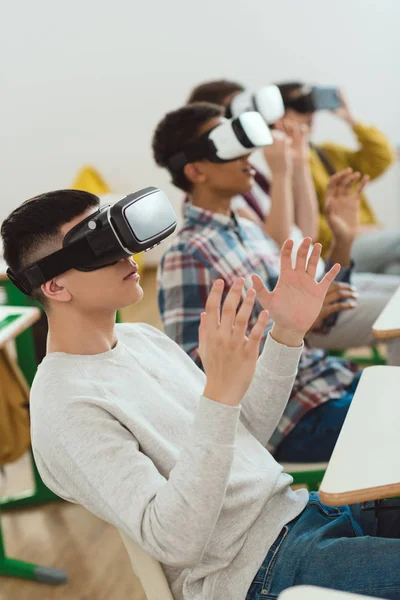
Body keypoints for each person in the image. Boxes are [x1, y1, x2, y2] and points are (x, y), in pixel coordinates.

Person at [3, 190, 400, 600]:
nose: (127, 255)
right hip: (261, 570)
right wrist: (219, 396)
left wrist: (286, 334)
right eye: (101, 245)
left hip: (305, 512)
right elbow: (172, 539)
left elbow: (245, 439)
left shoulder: (141, 339)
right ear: (55, 286)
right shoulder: (67, 407)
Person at [187, 80, 400, 360]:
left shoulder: (259, 173)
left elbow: (304, 239)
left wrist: (297, 162)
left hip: (316, 280)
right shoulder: (232, 189)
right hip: (298, 304)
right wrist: (284, 172)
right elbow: (280, 248)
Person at [277, 81, 399, 274]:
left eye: (310, 105)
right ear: (279, 115)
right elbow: (303, 229)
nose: (310, 114)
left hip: (368, 239)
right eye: (301, 106)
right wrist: (351, 231)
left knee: (395, 271)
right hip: (335, 250)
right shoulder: (280, 166)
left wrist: (350, 118)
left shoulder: (327, 153)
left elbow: (382, 158)